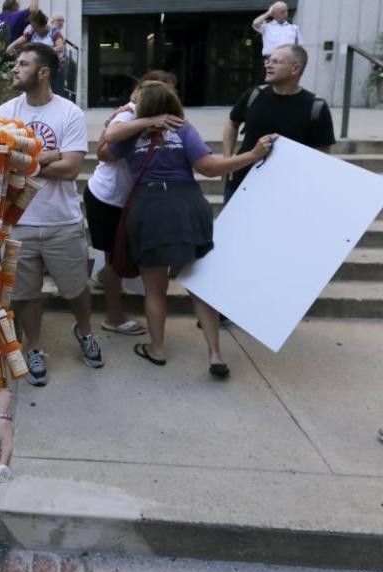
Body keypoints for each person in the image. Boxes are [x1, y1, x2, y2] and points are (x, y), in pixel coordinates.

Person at [101, 81, 276, 377]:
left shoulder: (131, 135)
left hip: (149, 208)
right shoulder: (184, 130)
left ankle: (157, 349)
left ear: (141, 108)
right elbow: (208, 168)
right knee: (200, 285)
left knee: (155, 290)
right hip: (187, 205)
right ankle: (215, 354)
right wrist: (252, 155)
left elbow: (105, 151)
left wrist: (125, 118)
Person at [0, 43, 102, 388]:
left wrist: (24, 164)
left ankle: (84, 330)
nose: (15, 69)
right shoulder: (4, 112)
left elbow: (70, 169)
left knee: (76, 289)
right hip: (19, 221)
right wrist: (50, 156)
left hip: (61, 220)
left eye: (23, 64)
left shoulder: (69, 113)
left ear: (43, 72)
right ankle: (34, 347)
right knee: (26, 293)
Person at [85, 70, 181, 337]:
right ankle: (114, 317)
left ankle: (105, 278)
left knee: (122, 256)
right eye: (159, 91)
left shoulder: (162, 119)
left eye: (170, 93)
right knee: (116, 259)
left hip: (133, 200)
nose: (164, 98)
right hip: (108, 197)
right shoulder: (128, 115)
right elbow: (104, 153)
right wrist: (145, 124)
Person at [223, 44, 334, 203]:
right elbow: (232, 123)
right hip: (241, 184)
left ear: (295, 69)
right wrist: (228, 160)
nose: (268, 65)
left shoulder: (316, 107)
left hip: (286, 192)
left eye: (276, 61)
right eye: (268, 60)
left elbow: (323, 154)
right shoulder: (253, 95)